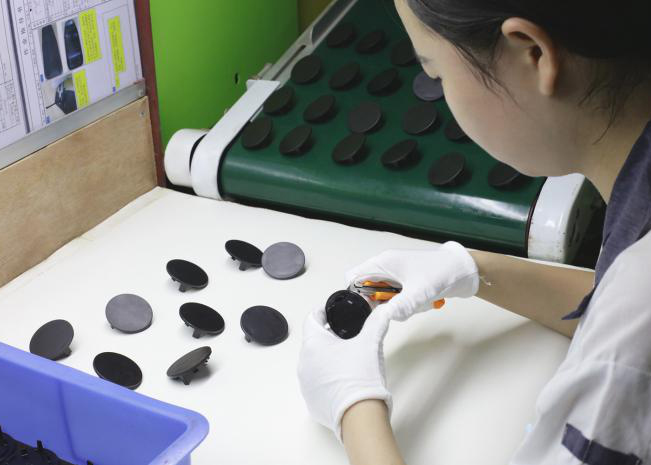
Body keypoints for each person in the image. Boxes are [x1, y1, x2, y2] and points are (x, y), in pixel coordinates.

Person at [298, 0, 651, 463]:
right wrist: (473, 269)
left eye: (436, 72)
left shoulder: (630, 328)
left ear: (533, 54)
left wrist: (353, 408)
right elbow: (614, 302)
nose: (439, 92)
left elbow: (630, 328)